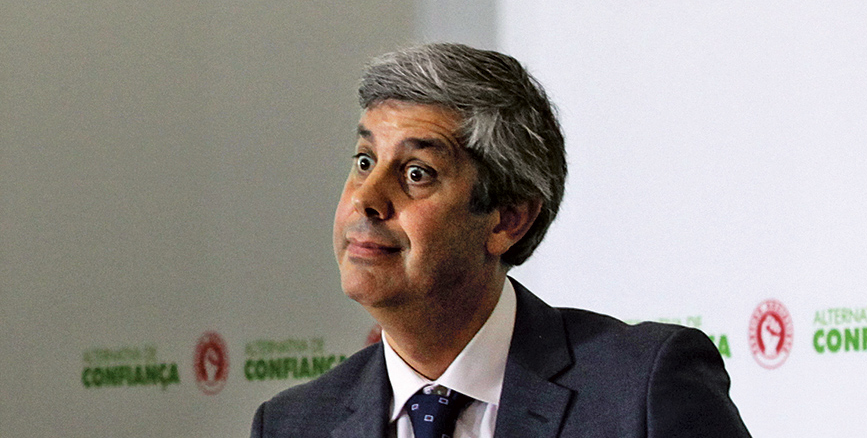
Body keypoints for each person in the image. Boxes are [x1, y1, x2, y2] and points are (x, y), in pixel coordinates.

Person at [250, 42, 751, 438]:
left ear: (507, 220)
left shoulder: (640, 390)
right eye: (364, 162)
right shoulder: (293, 424)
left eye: (417, 172)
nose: (367, 199)